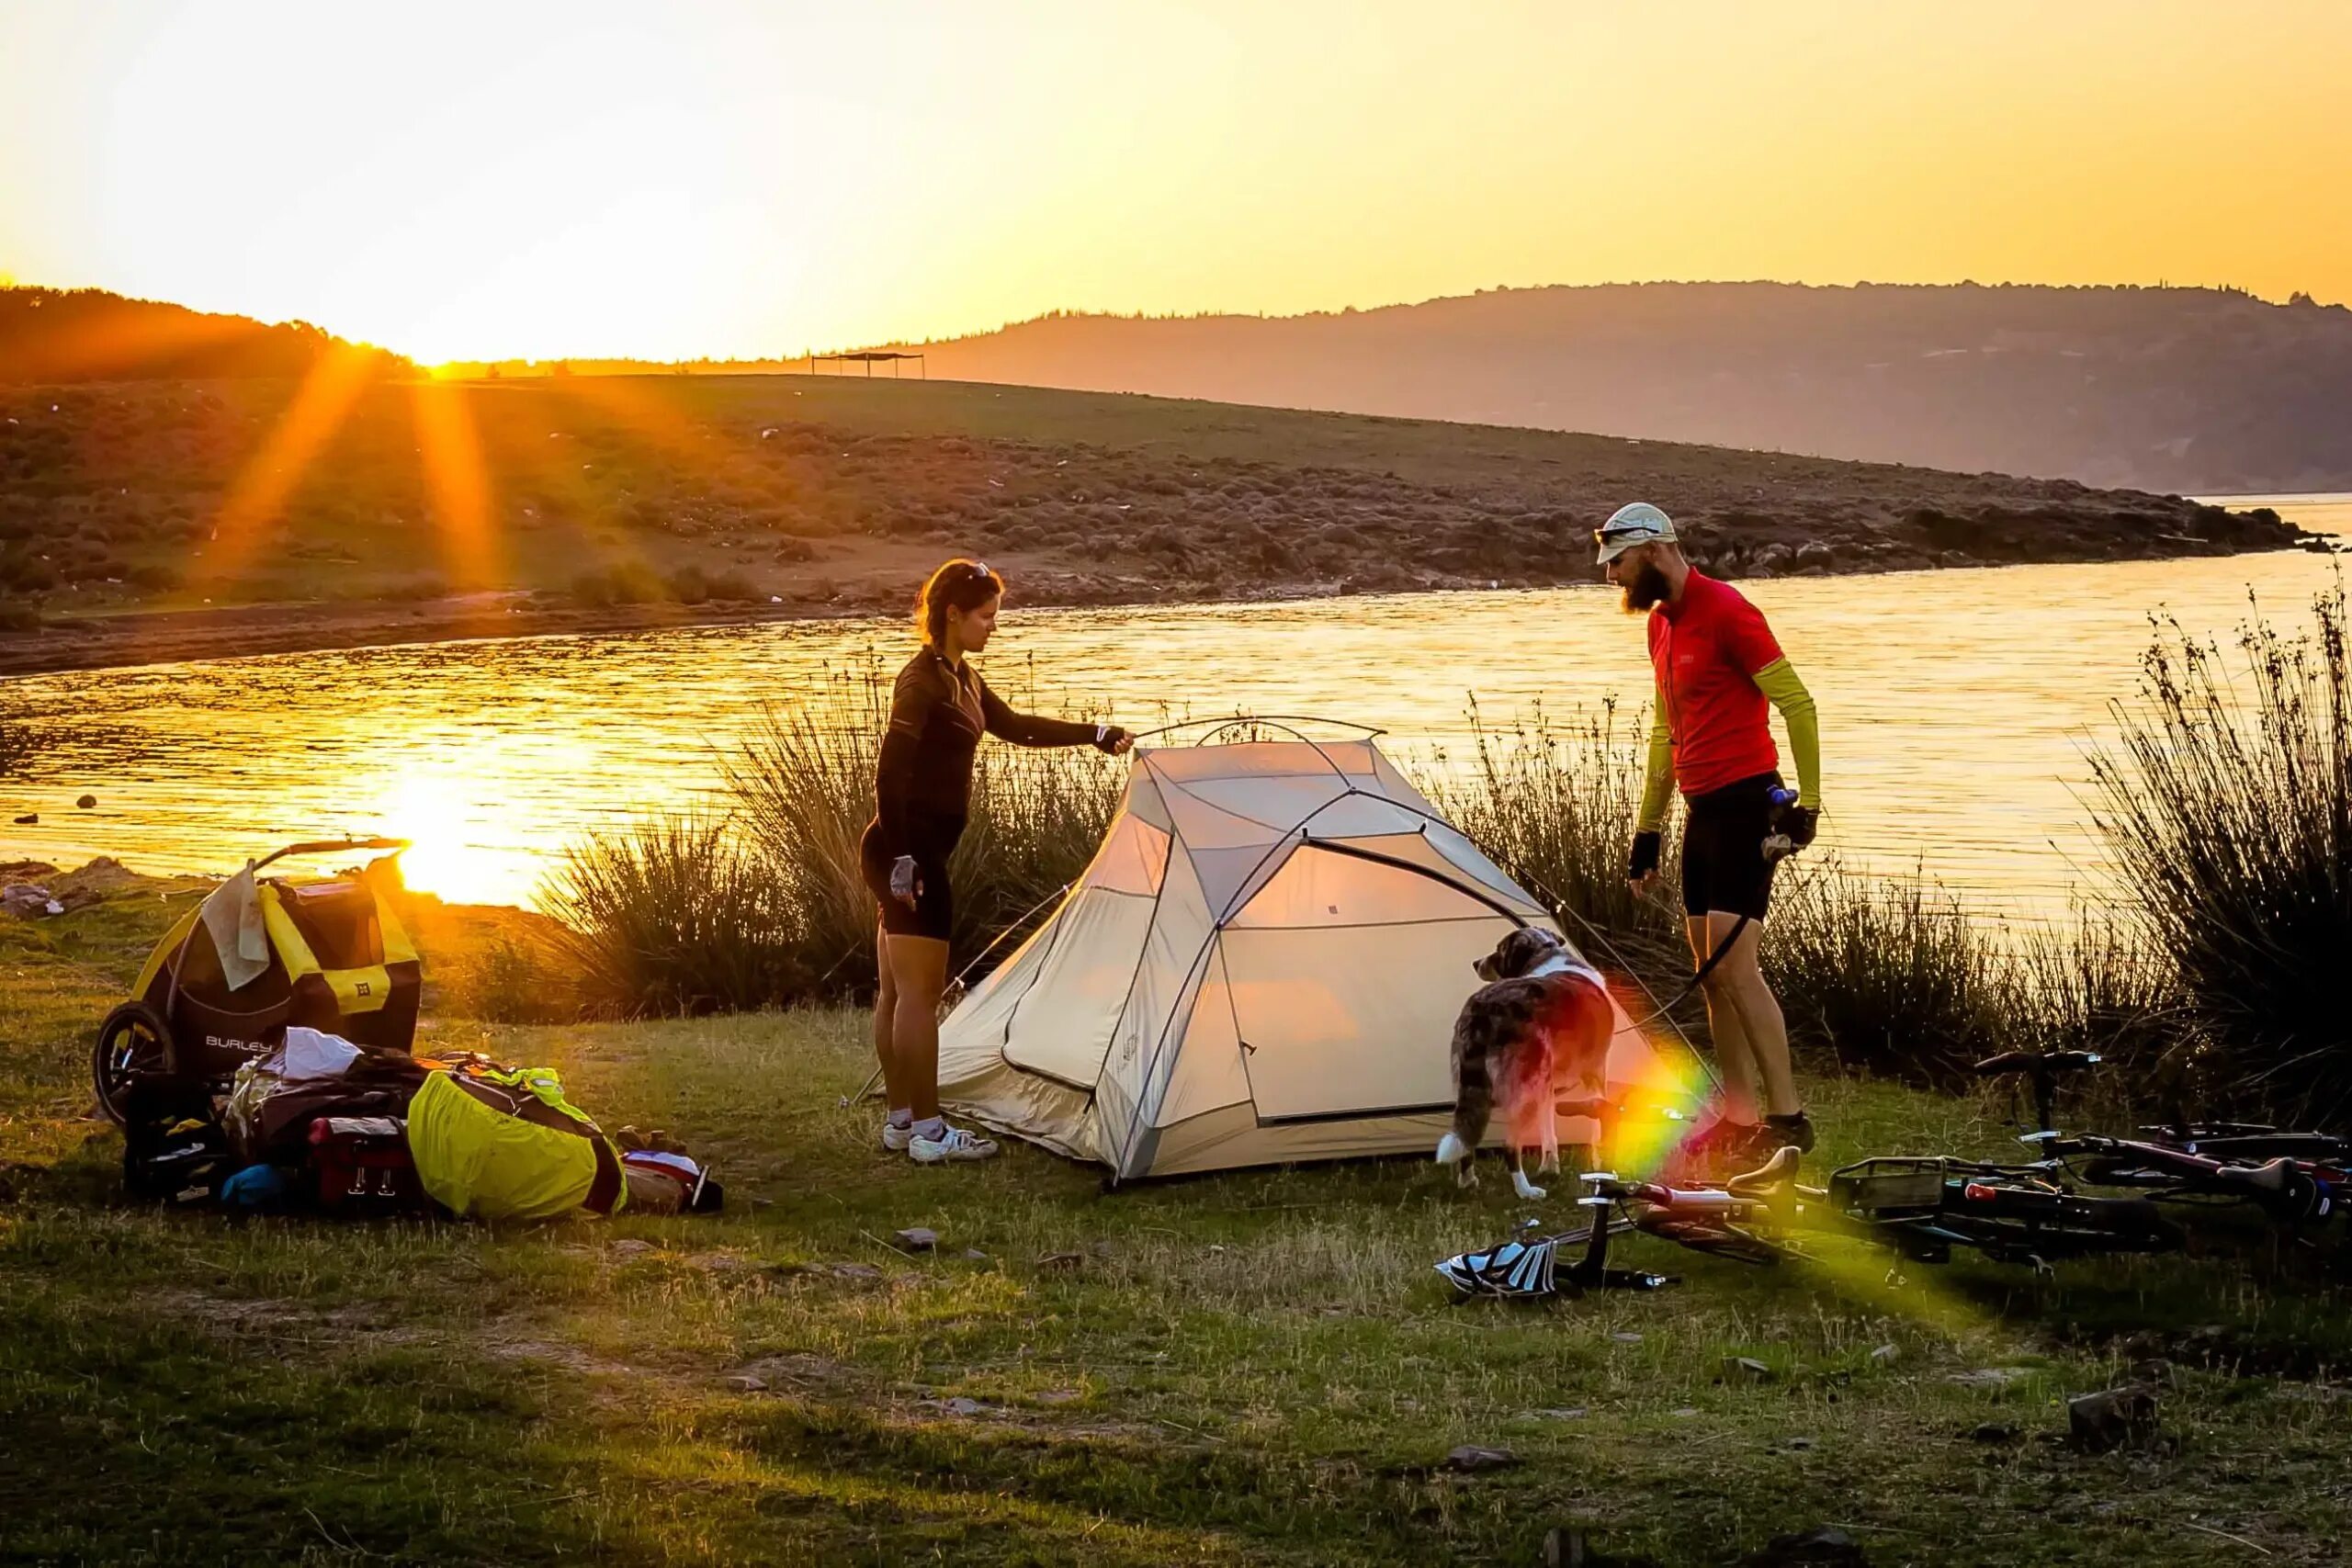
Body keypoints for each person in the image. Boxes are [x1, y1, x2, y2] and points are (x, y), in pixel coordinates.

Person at [861, 558, 1133, 1165]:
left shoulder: (963, 680)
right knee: (915, 998)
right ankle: (929, 1132)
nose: (993, 627)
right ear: (953, 615)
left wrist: (1095, 732)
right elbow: (888, 773)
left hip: (911, 851)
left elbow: (1019, 727)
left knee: (898, 992)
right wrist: (905, 859)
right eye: (985, 616)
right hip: (908, 852)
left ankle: (902, 1121)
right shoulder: (921, 682)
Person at [1596, 502, 1823, 1163]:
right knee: (1708, 969)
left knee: (1735, 964)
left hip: (1750, 804)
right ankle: (1740, 1114)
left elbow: (1799, 703)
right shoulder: (1660, 628)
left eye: (1618, 562)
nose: (1611, 576)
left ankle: (1789, 1119)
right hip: (1701, 810)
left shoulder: (1729, 611)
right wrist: (1648, 832)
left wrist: (1807, 805)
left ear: (1655, 549)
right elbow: (1666, 733)